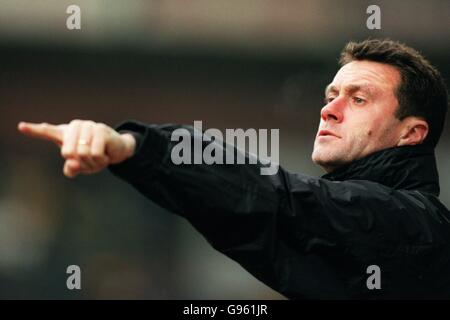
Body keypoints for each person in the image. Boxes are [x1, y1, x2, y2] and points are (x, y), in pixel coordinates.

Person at [18, 39, 450, 299]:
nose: (329, 110)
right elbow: (252, 217)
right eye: (330, 94)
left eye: (358, 99)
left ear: (411, 133)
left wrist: (135, 147)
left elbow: (278, 200)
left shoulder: (414, 223)